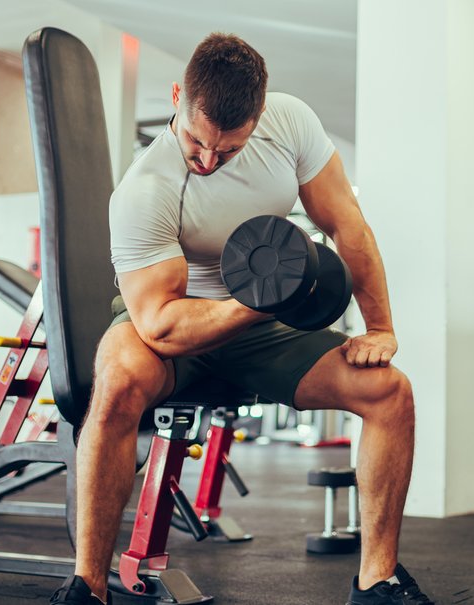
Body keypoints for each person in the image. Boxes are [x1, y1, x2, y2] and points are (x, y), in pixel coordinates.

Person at [51, 33, 428, 605]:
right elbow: (160, 324)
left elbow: (346, 224)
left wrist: (380, 327)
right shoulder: (143, 190)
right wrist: (263, 297)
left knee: (390, 393)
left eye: (226, 151)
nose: (206, 160)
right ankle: (88, 586)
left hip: (260, 326)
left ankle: (378, 581)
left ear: (259, 114)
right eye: (196, 142)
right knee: (119, 381)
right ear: (178, 96)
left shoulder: (291, 123)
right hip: (169, 318)